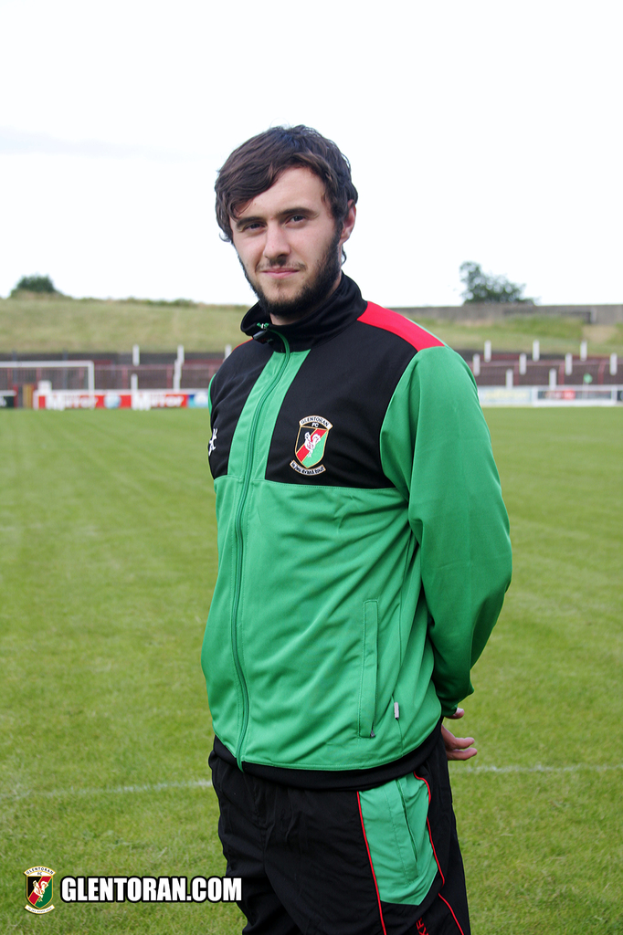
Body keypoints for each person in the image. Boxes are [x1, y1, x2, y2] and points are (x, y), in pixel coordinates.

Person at [202, 125, 512, 935]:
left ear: (344, 219)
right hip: (243, 765)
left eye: (296, 218)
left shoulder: (413, 366)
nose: (274, 243)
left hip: (358, 776)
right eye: (251, 224)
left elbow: (469, 564)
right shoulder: (238, 372)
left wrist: (430, 689)